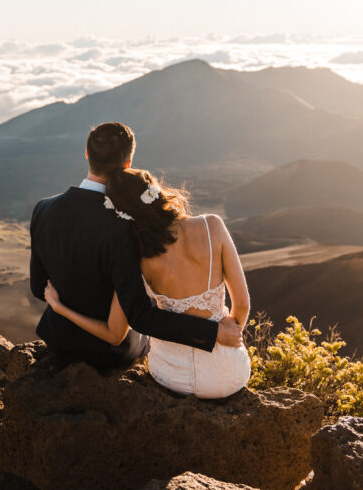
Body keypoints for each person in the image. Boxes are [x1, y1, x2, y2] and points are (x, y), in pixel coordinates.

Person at [29, 122, 243, 369]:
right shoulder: (126, 226)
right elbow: (140, 316)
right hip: (108, 355)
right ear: (128, 164)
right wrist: (211, 331)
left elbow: (37, 287)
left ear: (87, 154)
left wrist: (62, 305)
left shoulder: (43, 209)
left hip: (57, 340)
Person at [44, 166, 251, 398]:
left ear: (122, 213)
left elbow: (115, 334)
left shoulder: (134, 256)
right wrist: (230, 337)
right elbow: (242, 304)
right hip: (229, 376)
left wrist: (59, 307)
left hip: (173, 377)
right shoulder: (212, 225)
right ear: (154, 189)